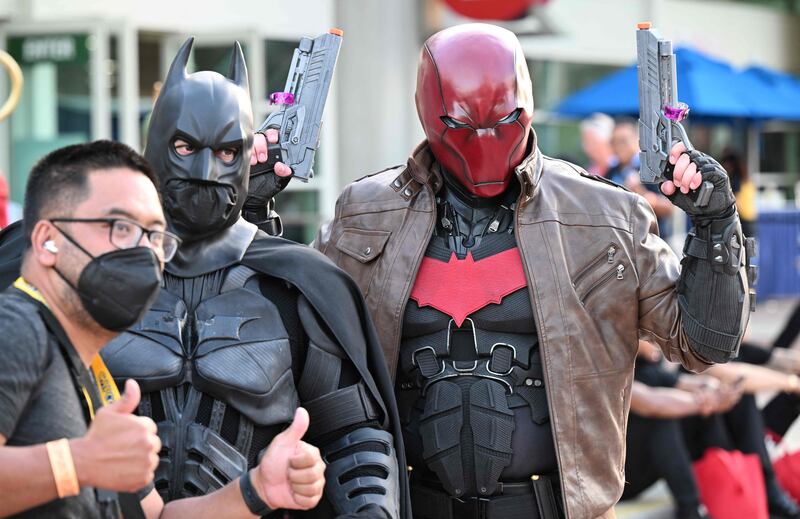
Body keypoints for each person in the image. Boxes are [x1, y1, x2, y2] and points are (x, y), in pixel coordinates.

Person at [253, 23, 753, 518]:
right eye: (463, 124)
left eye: (503, 119)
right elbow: (282, 342)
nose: (485, 139)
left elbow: (704, 343)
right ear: (429, 112)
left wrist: (714, 224)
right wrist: (249, 217)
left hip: (554, 506)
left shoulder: (601, 215)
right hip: (409, 502)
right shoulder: (368, 212)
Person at [0, 39, 406, 519]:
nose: (205, 169)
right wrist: (76, 464)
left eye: (228, 151)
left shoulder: (297, 284)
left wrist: (268, 492)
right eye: (185, 146)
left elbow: (354, 437)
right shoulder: (50, 295)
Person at [0, 140, 326, 518]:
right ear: (46, 241)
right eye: (120, 226)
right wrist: (76, 462)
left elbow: (157, 517)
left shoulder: (92, 375)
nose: (144, 251)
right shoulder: (18, 327)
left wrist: (256, 491)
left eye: (155, 235)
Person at [626, 340, 800, 519]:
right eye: (645, 334)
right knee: (663, 419)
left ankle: (759, 486)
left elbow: (685, 382)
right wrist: (705, 402)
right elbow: (649, 403)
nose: (655, 338)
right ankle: (690, 509)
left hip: (651, 458)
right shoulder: (610, 364)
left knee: (735, 389)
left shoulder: (651, 362)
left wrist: (715, 392)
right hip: (623, 479)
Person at [607, 119, 674, 237]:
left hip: (651, 239)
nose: (618, 147)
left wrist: (639, 192)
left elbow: (668, 208)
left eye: (623, 141)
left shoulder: (651, 169)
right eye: (614, 142)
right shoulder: (611, 171)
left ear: (636, 141)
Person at [579, 113, 616, 177]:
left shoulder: (621, 167)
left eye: (589, 142)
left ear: (605, 140)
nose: (585, 147)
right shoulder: (590, 170)